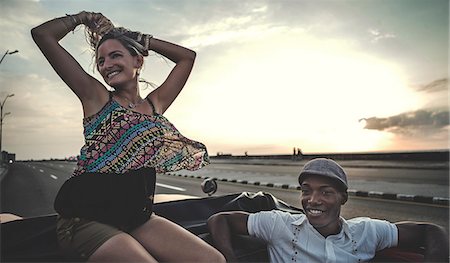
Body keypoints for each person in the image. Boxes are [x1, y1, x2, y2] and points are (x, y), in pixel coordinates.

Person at [31, 11, 225, 262]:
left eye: (115, 55)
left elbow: (187, 58)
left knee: (213, 260)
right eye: (101, 61)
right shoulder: (97, 98)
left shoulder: (156, 105)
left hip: (137, 218)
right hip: (86, 221)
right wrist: (82, 18)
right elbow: (42, 35)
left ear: (138, 61)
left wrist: (140, 39)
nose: (106, 65)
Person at [208, 158, 449, 262]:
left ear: (342, 198)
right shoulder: (278, 225)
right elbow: (220, 220)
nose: (313, 200)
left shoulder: (366, 231)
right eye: (306, 190)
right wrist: (228, 258)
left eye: (326, 192)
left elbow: (432, 231)